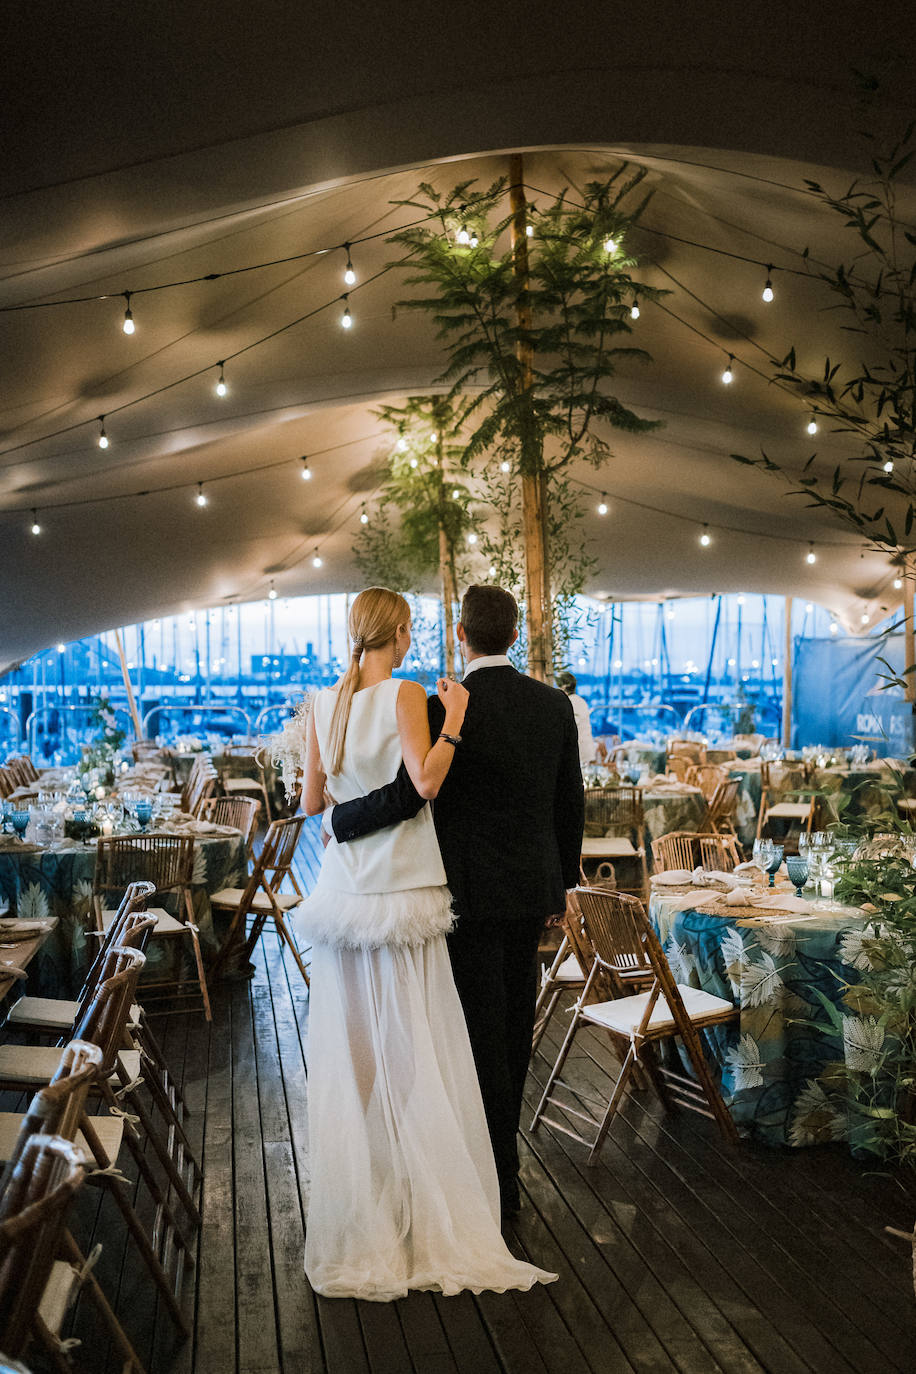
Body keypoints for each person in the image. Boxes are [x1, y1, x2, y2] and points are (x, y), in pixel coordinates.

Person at [294, 586, 555, 1301]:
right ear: (402, 632)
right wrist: (456, 719)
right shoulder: (408, 694)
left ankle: (368, 1192)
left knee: (357, 1050)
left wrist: (339, 816)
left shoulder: (323, 703)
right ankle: (419, 1193)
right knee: (415, 1044)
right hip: (402, 893)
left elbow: (311, 804)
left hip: (342, 896)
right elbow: (426, 782)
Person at [329, 585, 584, 1218]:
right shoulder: (554, 704)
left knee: (470, 1031)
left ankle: (480, 1166)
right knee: (516, 1025)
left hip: (458, 890)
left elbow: (410, 794)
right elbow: (569, 802)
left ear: (461, 635)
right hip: (527, 894)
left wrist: (337, 822)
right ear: (515, 635)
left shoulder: (443, 706)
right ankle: (505, 1164)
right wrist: (562, 885)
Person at [556, 669, 596, 769]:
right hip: (586, 749)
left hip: (580, 751)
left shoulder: (570, 702)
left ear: (563, 686)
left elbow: (570, 725)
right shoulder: (580, 700)